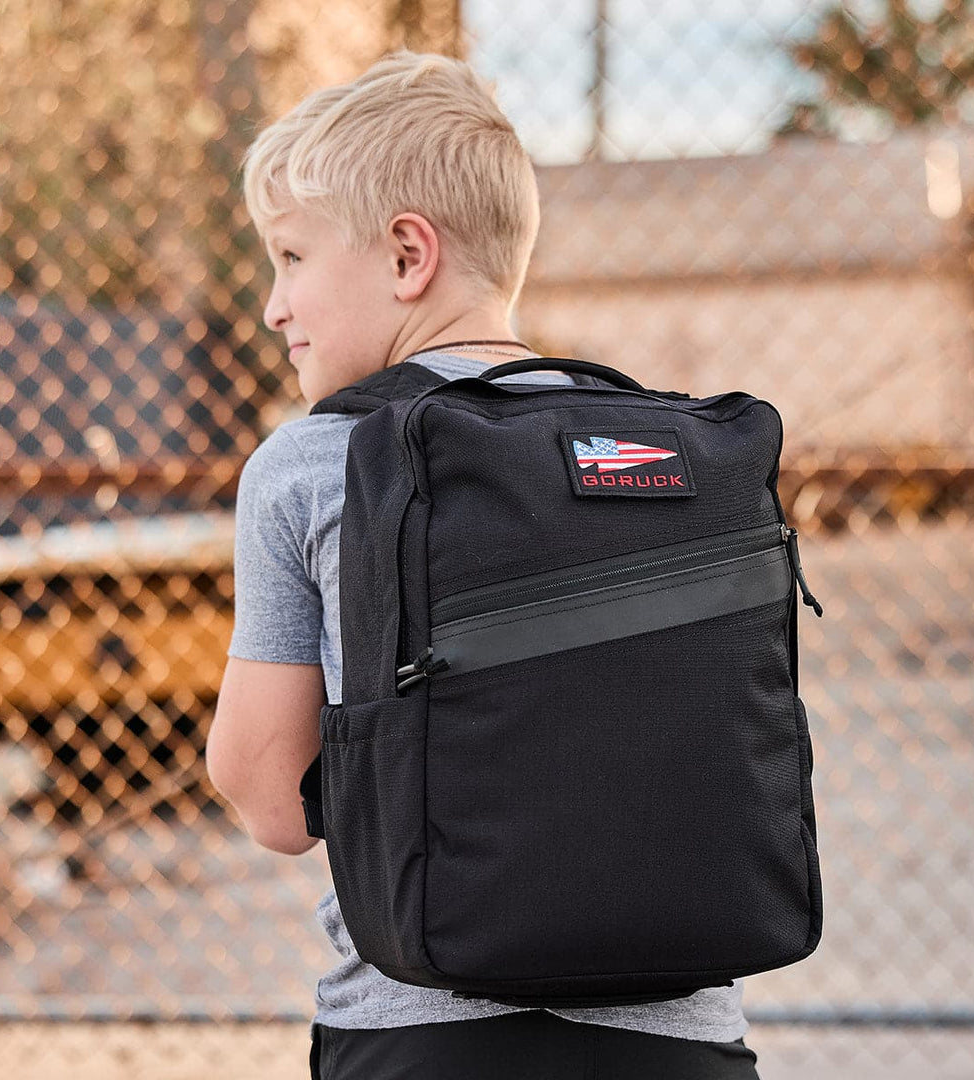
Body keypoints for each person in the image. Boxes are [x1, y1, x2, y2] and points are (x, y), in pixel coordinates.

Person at [205, 49, 761, 1080]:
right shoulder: (684, 454)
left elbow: (269, 799)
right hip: (684, 1040)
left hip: (420, 1033)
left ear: (408, 256)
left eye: (289, 258)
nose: (274, 307)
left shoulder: (315, 462)